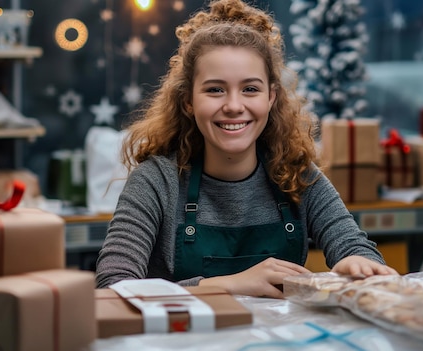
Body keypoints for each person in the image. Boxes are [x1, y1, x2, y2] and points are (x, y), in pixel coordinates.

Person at [95, 0, 398, 298]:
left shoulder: (296, 174)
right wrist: (227, 285)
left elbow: (356, 248)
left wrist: (357, 263)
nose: (234, 106)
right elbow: (111, 287)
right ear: (188, 101)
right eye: (215, 90)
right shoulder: (156, 182)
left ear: (271, 97)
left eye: (250, 89)